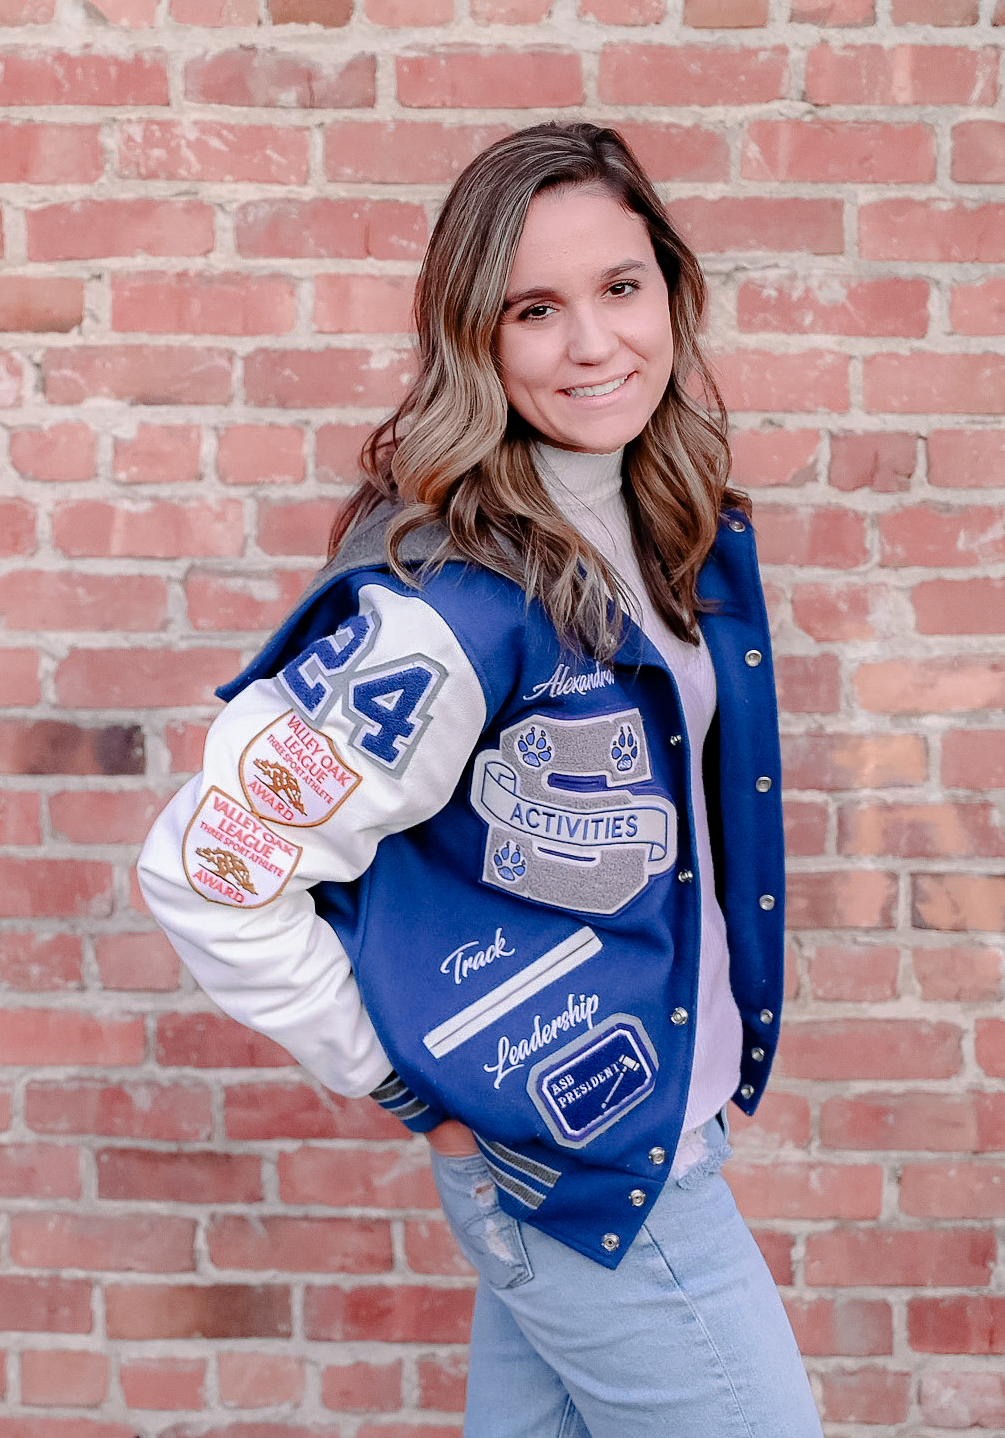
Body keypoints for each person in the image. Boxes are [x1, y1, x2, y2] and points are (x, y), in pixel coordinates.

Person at [136, 122, 821, 1437]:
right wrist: (396, 1080)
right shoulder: (439, 607)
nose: (591, 343)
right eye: (534, 309)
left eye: (619, 289)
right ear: (477, 337)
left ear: (669, 290)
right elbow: (206, 868)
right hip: (591, 1176)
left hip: (623, 1134)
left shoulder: (667, 520)